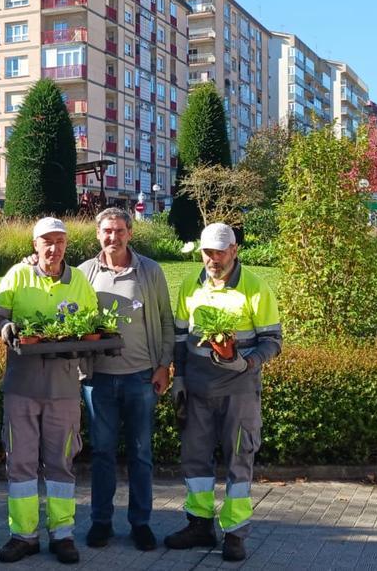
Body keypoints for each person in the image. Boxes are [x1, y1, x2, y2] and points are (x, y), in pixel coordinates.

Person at [165, 222, 282, 562]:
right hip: (198, 390)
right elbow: (179, 339)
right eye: (207, 252)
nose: (213, 258)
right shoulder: (190, 284)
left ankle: (235, 533)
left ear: (234, 250)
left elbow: (273, 341)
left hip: (239, 391)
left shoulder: (255, 288)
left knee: (238, 460)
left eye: (220, 251)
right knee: (195, 460)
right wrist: (180, 379)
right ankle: (199, 524)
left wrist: (246, 363)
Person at [0, 217, 99, 565]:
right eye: (47, 242)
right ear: (35, 244)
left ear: (67, 244)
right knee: (19, 462)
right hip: (21, 387)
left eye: (60, 241)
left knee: (61, 462)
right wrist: (5, 326)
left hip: (64, 388)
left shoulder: (79, 280)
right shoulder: (17, 275)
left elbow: (93, 325)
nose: (54, 248)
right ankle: (23, 535)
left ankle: (62, 533)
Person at [76, 208, 175, 552]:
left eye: (119, 230)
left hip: (141, 378)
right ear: (97, 234)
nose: (112, 237)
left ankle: (141, 523)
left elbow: (165, 321)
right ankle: (101, 523)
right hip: (98, 380)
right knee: (101, 453)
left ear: (130, 233)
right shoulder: (85, 272)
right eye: (106, 231)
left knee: (141, 453)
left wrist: (164, 365)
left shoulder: (149, 271)